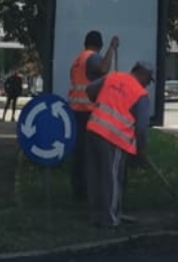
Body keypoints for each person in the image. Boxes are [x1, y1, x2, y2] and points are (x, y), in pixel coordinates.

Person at [85, 58, 156, 229]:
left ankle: (96, 216)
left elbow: (89, 90)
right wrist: (142, 150)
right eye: (148, 80)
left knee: (95, 176)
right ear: (143, 75)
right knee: (112, 178)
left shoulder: (113, 78)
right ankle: (110, 219)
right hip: (113, 138)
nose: (148, 85)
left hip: (93, 130)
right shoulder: (140, 94)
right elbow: (141, 128)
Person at [67, 29, 116, 203]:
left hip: (76, 110)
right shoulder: (93, 57)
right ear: (100, 45)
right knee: (91, 154)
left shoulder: (78, 60)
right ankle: (88, 192)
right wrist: (112, 48)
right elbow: (103, 69)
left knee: (79, 153)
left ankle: (78, 190)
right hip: (89, 112)